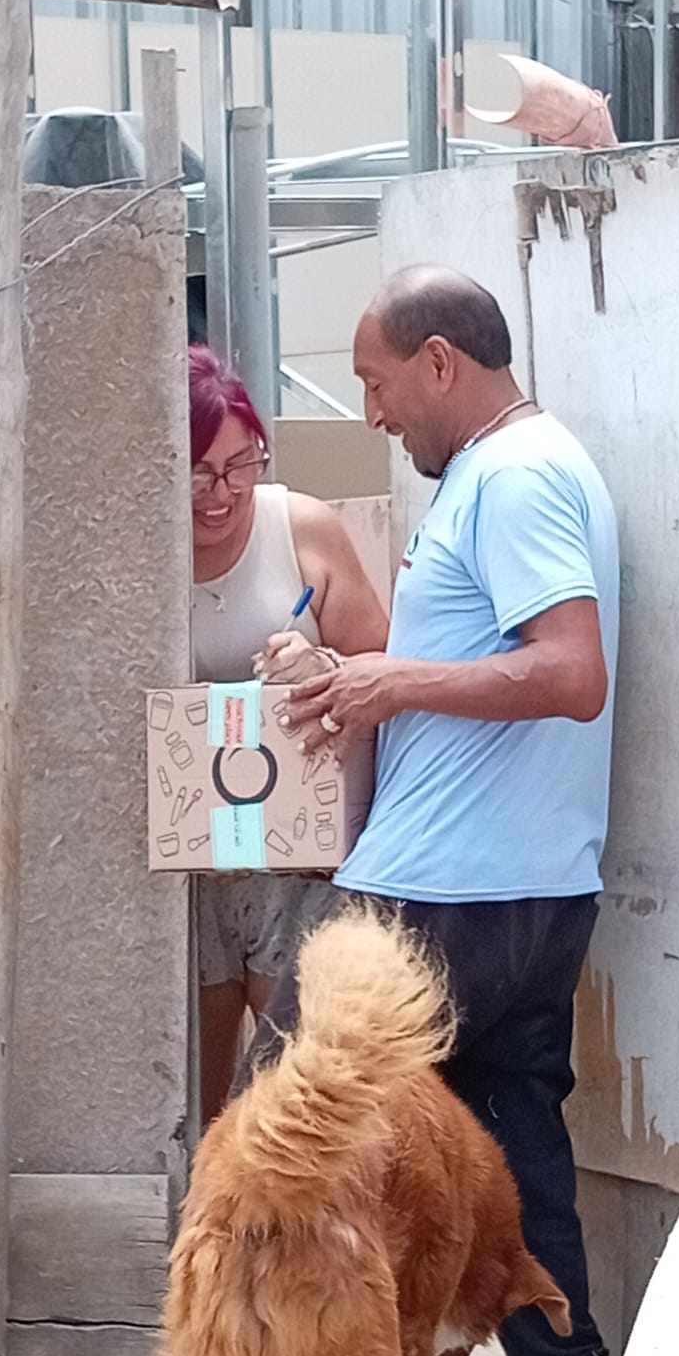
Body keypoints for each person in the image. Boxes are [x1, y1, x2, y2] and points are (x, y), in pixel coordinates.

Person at [249, 266, 619, 1356]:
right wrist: (345, 677)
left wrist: (391, 679)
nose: (370, 411)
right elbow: (479, 670)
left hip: (434, 901)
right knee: (510, 1162)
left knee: (283, 1131)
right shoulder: (524, 468)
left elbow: (571, 671)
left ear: (441, 361)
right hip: (530, 888)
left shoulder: (512, 478)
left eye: (376, 382)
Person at [188, 344, 387, 1126]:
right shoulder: (133, 548)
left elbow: (386, 669)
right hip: (186, 872)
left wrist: (324, 666)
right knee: (192, 1109)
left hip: (299, 865)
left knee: (290, 1111)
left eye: (242, 464)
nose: (223, 492)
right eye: (198, 474)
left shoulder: (301, 526)